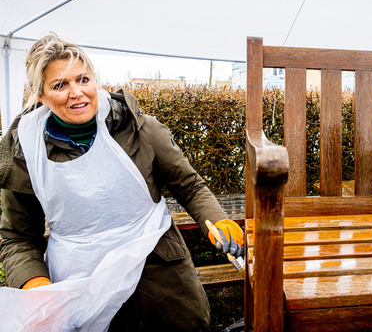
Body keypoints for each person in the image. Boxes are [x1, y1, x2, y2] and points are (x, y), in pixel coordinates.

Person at [0, 33, 244, 331]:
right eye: (60, 85)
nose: (77, 92)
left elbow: (189, 186)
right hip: (81, 285)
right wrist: (35, 285)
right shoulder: (25, 152)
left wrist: (218, 221)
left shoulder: (141, 129)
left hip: (158, 274)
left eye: (83, 79)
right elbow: (18, 237)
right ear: (41, 96)